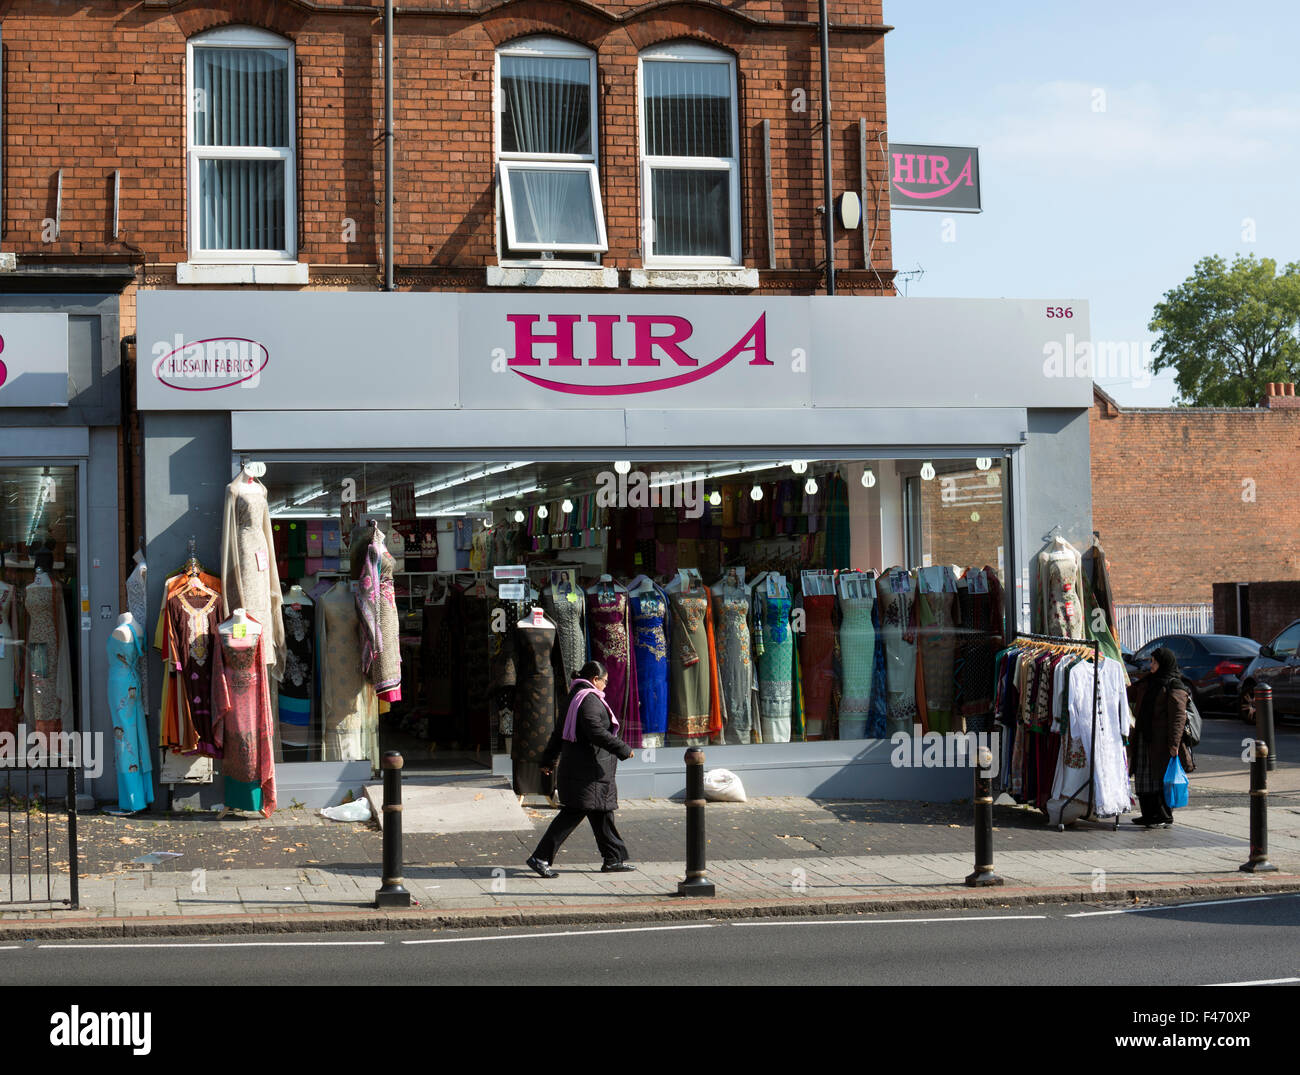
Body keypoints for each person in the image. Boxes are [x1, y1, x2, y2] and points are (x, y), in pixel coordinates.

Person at [526, 660, 637, 877]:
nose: (606, 686)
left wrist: (548, 760)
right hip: (587, 772)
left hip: (586, 771)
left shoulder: (574, 697)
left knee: (602, 813)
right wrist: (622, 748)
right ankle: (540, 857)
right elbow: (596, 732)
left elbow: (558, 733)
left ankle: (613, 859)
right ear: (595, 679)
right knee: (572, 814)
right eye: (604, 682)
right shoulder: (588, 700)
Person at [1126, 646, 1195, 828]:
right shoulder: (1148, 682)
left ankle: (1163, 815)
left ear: (1163, 663)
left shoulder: (1174, 686)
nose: (1151, 664)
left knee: (1159, 779)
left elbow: (1178, 718)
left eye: (1154, 661)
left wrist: (1174, 744)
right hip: (1144, 736)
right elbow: (1129, 694)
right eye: (1150, 661)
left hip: (1161, 742)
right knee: (1143, 776)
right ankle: (1148, 814)